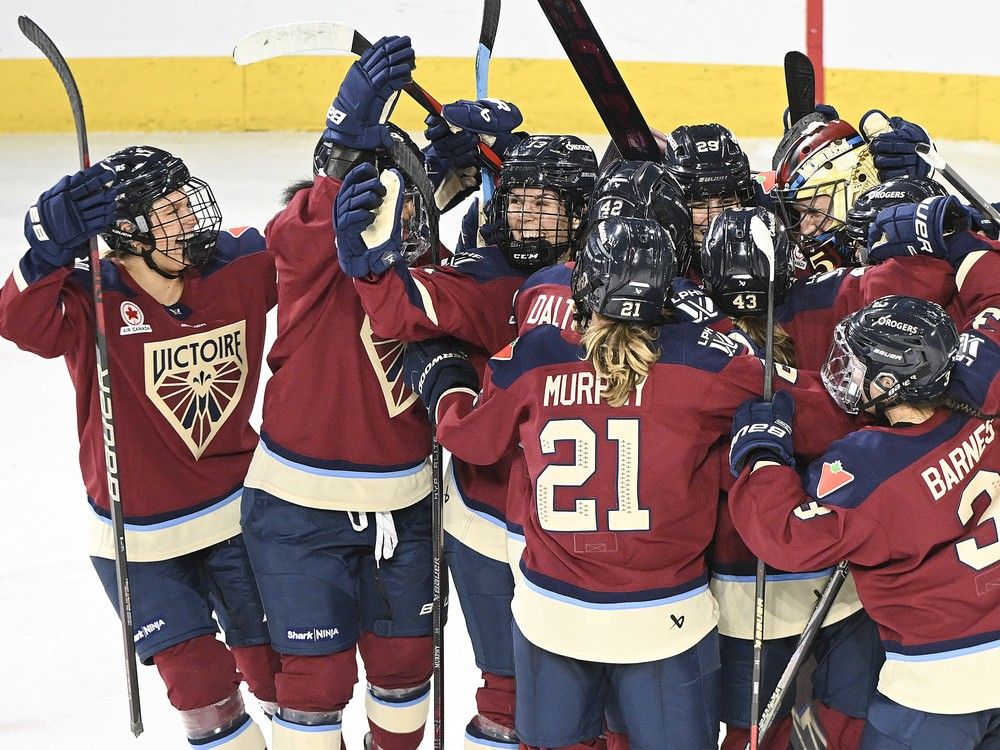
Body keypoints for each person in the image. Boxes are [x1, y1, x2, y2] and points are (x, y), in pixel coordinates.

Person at [404, 212, 860, 749]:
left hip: (553, 613)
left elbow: (471, 439)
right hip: (663, 618)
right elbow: (822, 415)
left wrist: (447, 380)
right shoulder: (706, 362)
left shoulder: (536, 355)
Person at [0, 146, 280, 748]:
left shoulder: (241, 264)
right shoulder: (87, 298)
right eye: (170, 213)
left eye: (188, 205)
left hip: (238, 514)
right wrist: (46, 251)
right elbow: (17, 321)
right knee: (203, 694)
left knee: (283, 677)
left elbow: (319, 255)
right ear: (125, 233)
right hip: (137, 537)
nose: (190, 223)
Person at [336, 121, 598, 750]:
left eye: (544, 204)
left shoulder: (625, 281)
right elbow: (404, 303)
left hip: (581, 528)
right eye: (517, 201)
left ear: (582, 211)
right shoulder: (492, 276)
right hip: (485, 512)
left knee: (589, 695)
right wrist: (376, 264)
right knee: (505, 691)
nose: (524, 217)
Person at [239, 35, 441, 750]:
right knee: (314, 688)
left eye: (409, 204)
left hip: (406, 507)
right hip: (299, 507)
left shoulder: (432, 271)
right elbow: (301, 231)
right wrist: (341, 150)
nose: (395, 219)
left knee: (406, 669)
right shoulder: (309, 246)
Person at [699, 204, 957, 749]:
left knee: (789, 714)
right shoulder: (822, 300)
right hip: (826, 553)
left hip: (784, 559)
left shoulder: (698, 347)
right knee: (837, 705)